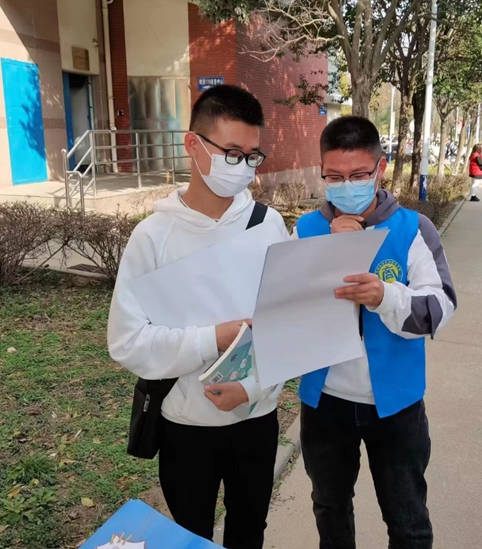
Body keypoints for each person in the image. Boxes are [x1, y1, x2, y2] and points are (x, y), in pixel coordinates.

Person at [108, 85, 288, 549]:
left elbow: (288, 325)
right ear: (193, 144)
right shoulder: (153, 237)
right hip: (185, 427)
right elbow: (127, 341)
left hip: (257, 418)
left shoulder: (268, 225)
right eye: (231, 153)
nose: (242, 167)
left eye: (252, 156)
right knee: (191, 538)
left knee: (249, 532)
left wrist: (253, 388)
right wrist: (214, 338)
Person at [293, 116, 457, 549]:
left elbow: (440, 308)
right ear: (322, 172)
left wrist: (386, 296)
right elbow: (288, 310)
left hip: (396, 404)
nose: (346, 186)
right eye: (334, 177)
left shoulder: (412, 229)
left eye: (358, 175)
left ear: (380, 169)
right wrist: (330, 252)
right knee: (330, 508)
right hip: (324, 402)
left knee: (407, 519)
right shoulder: (305, 230)